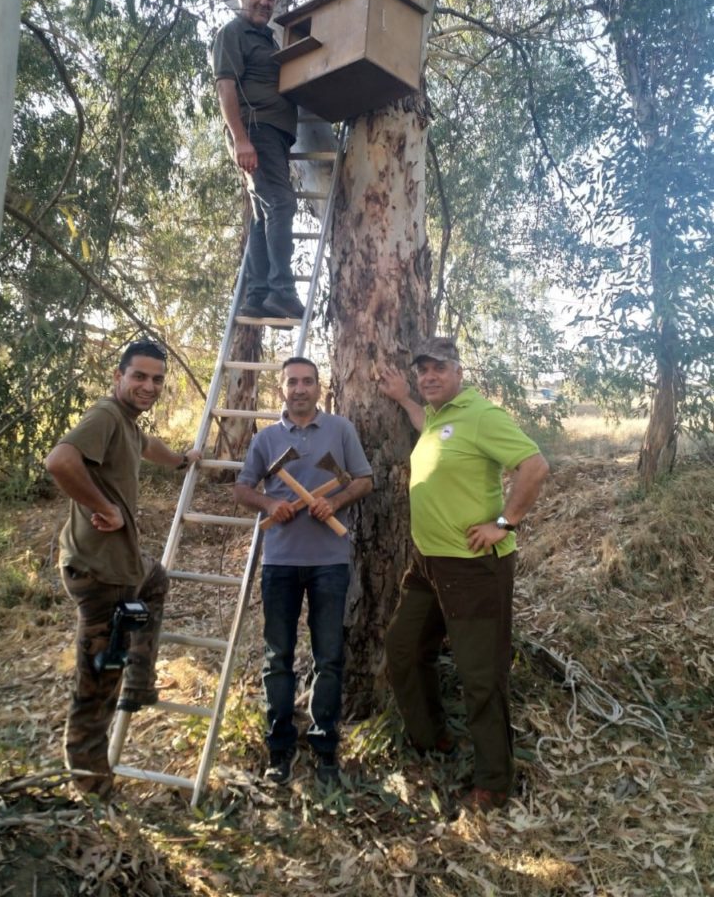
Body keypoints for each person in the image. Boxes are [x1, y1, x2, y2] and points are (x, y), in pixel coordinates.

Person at [379, 338, 549, 814]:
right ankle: (436, 741)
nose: (429, 376)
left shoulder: (481, 415)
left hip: (474, 569)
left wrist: (505, 524)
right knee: (404, 648)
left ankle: (494, 782)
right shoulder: (436, 416)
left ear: (458, 372)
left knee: (481, 676)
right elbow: (428, 428)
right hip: (428, 563)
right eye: (423, 370)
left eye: (439, 369)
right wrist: (404, 400)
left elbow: (535, 465)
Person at [45, 339, 201, 798]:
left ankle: (139, 681)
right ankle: (94, 794)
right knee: (95, 691)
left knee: (155, 580)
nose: (148, 386)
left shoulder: (127, 425)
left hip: (123, 567)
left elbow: (145, 444)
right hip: (103, 576)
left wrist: (180, 460)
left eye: (156, 379)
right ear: (118, 377)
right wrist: (104, 506)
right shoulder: (107, 415)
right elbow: (60, 461)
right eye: (139, 376)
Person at [233, 356, 373, 785]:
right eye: (292, 382)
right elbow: (242, 489)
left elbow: (364, 480)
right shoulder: (267, 438)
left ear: (318, 387)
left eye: (307, 381)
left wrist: (336, 501)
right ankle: (279, 747)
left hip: (330, 562)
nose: (299, 389)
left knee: (328, 656)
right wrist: (271, 504)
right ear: (282, 389)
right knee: (278, 657)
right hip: (279, 563)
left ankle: (325, 745)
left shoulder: (341, 430)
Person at [212, 0, 304, 321]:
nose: (264, 2)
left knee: (264, 215)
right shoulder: (234, 33)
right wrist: (240, 139)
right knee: (281, 204)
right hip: (255, 131)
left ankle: (258, 294)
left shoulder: (267, 39)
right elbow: (225, 87)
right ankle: (282, 291)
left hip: (272, 135)